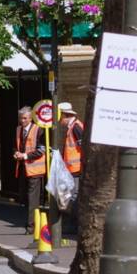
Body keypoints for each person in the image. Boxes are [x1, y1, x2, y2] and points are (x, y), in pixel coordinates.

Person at [49, 101, 85, 246]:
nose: (60, 121)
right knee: (71, 195)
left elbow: (83, 147)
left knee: (74, 196)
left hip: (76, 168)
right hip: (72, 168)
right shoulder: (72, 127)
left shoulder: (76, 127)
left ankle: (74, 225)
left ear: (65, 115)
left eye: (60, 118)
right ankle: (72, 224)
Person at [13, 106, 46, 233]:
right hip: (22, 168)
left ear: (31, 118)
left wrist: (25, 155)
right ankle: (31, 222)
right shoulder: (18, 130)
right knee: (24, 198)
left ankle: (31, 226)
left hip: (35, 170)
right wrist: (16, 153)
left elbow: (41, 150)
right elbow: (15, 146)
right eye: (21, 118)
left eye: (25, 118)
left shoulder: (38, 130)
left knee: (33, 199)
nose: (22, 121)